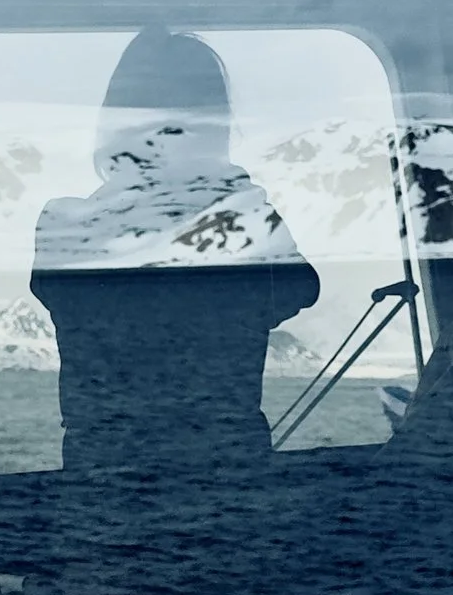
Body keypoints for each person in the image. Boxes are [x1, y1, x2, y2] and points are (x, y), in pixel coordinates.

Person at [30, 27, 317, 477]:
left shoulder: (64, 224)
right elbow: (300, 289)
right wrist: (234, 192)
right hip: (228, 471)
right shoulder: (247, 220)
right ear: (213, 124)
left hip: (103, 476)